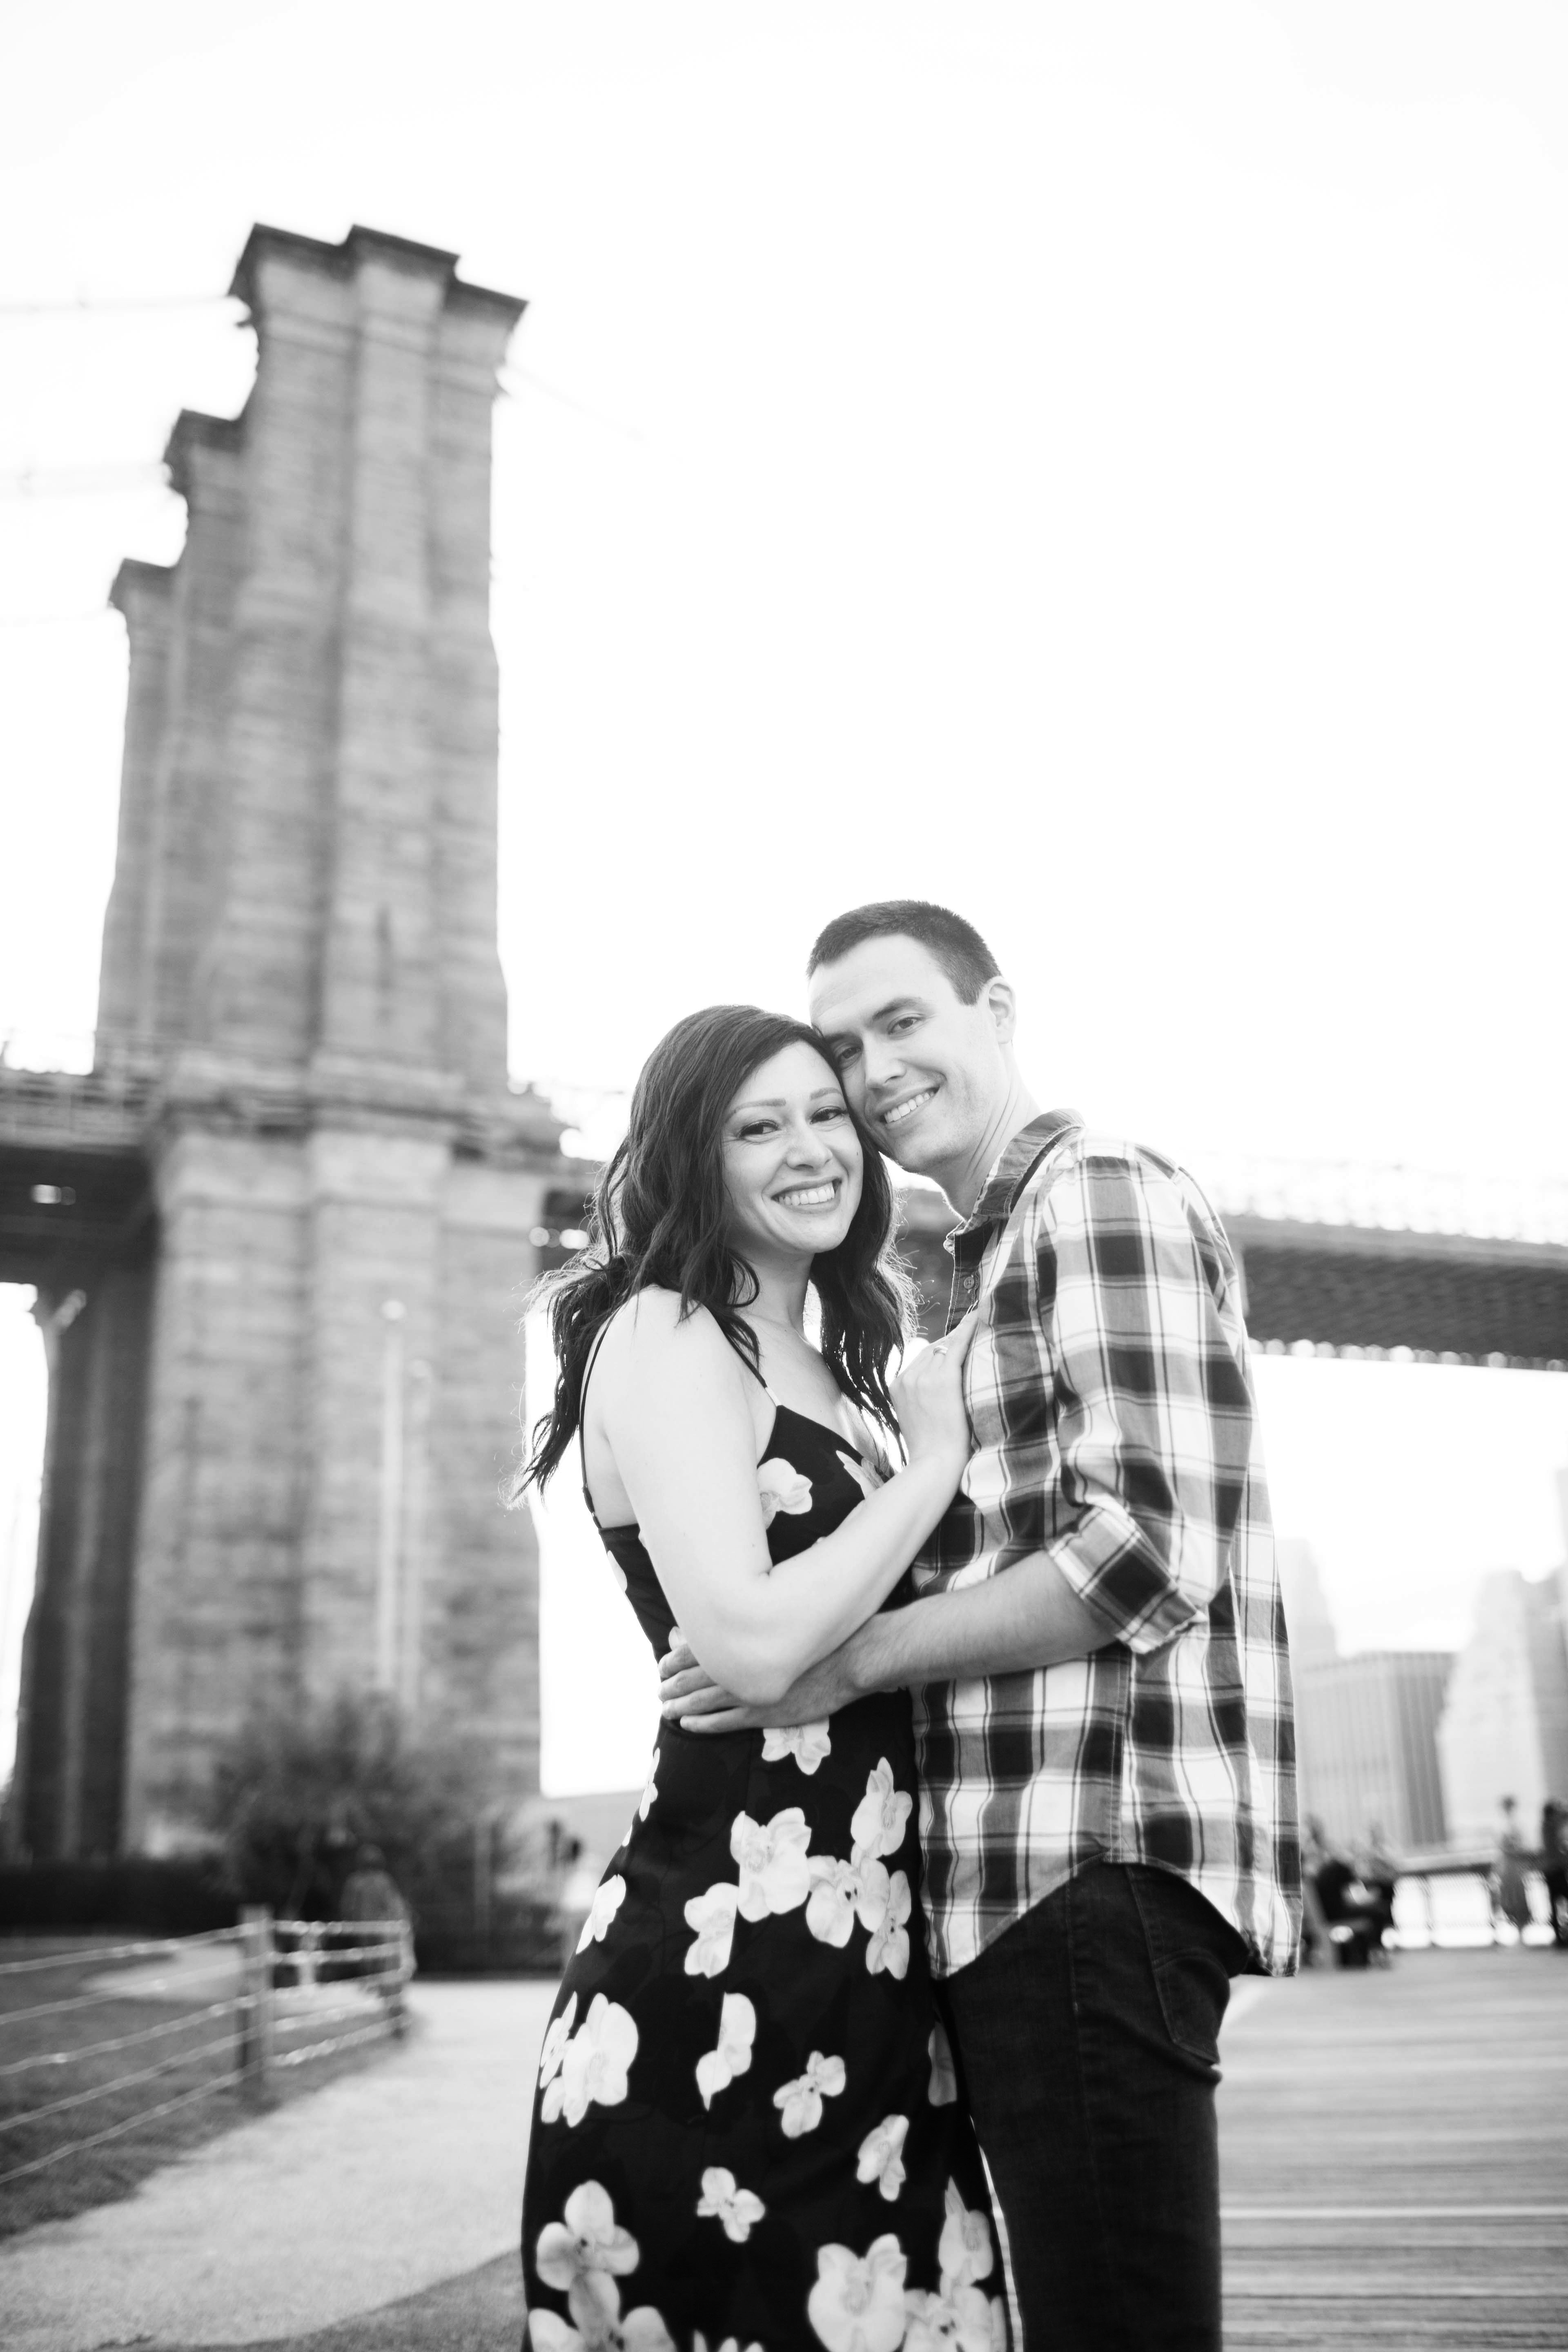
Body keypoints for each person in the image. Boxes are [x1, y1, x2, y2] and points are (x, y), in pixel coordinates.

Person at [663, 902, 1300, 2352]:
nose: (873, 1072)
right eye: (843, 1047)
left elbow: (1143, 1556)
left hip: (1089, 1856)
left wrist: (842, 1667)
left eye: (903, 1022)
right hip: (1023, 1879)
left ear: (995, 1012)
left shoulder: (1096, 1193)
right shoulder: (974, 1259)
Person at [515, 1006, 1008, 2349]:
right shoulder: (669, 1333)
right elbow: (748, 1641)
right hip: (723, 1964)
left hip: (875, 1970)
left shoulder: (841, 1376)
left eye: (827, 1115)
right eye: (759, 1125)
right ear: (695, 1157)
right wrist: (932, 1468)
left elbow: (838, 1635)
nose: (811, 1148)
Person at [1493, 1796, 1534, 1942]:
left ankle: (1521, 1930)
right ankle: (1518, 1929)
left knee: (1517, 1899)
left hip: (1514, 1867)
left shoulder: (1515, 1824)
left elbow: (1520, 1845)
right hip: (1510, 1868)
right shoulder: (1504, 1825)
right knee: (1510, 1899)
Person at [1541, 1798, 1568, 1949]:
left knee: (1554, 1903)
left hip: (1551, 1870)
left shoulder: (1546, 1826)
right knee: (1560, 1899)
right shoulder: (1550, 1827)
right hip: (1555, 1870)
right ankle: (1560, 1936)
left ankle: (1559, 1937)